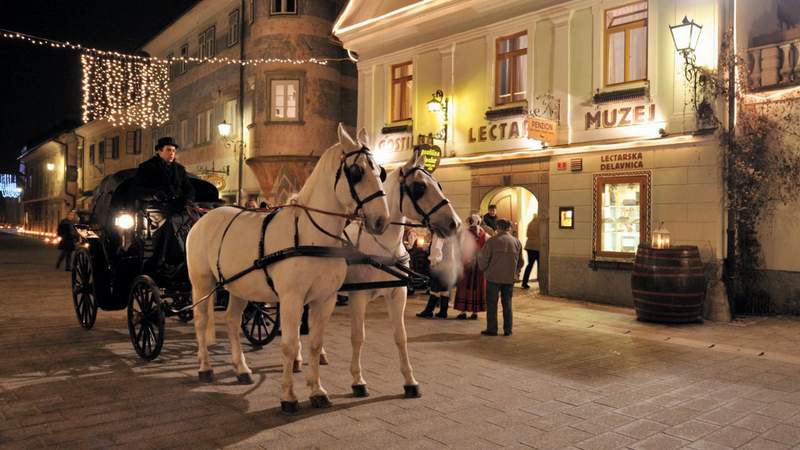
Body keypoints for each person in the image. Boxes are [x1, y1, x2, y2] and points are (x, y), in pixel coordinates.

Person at [132, 137, 195, 272]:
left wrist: (188, 200)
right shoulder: (147, 167)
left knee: (192, 219)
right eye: (168, 150)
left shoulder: (179, 169)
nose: (172, 153)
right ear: (159, 151)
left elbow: (189, 188)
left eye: (173, 150)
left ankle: (192, 252)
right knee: (171, 221)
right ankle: (165, 258)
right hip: (154, 208)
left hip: (176, 207)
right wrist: (153, 195)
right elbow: (138, 190)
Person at [477, 219, 523, 336]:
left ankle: (492, 329)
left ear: (498, 227)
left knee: (492, 304)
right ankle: (508, 329)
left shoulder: (492, 241)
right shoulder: (516, 242)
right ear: (509, 227)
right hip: (509, 278)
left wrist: (485, 270)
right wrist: (516, 273)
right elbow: (521, 262)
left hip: (493, 277)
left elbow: (483, 258)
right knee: (507, 303)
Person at [454, 214, 487, 320]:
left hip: (467, 263)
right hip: (479, 264)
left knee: (465, 286)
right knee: (476, 286)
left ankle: (463, 311)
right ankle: (474, 312)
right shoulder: (484, 234)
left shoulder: (465, 233)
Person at [416, 233, 451, 319]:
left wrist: (433, 263)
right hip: (449, 264)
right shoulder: (449, 233)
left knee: (435, 288)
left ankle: (428, 311)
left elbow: (436, 249)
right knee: (444, 289)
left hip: (439, 264)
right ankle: (443, 312)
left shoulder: (439, 234)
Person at [521, 214, 541, 289]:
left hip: (529, 246)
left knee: (529, 265)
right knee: (541, 266)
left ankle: (524, 282)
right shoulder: (541, 224)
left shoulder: (530, 223)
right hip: (538, 247)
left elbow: (527, 234)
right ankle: (541, 283)